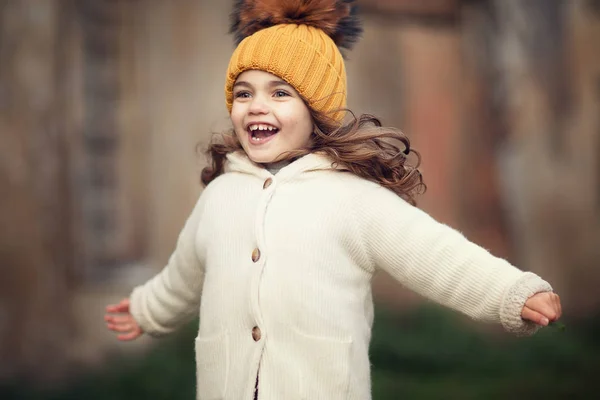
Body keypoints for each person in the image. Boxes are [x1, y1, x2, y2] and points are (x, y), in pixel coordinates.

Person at [105, 1, 562, 399]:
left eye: (280, 93)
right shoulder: (221, 196)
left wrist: (510, 292)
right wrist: (147, 309)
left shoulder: (351, 199)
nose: (256, 106)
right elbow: (185, 274)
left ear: (316, 109)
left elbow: (437, 255)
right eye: (244, 93)